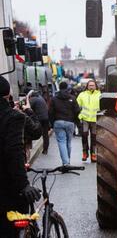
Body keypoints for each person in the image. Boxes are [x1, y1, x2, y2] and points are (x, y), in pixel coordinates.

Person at [0, 76, 41, 237]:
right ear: (7, 94)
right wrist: (23, 185)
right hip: (6, 188)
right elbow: (13, 152)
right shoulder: (12, 116)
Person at [49, 81, 80, 166]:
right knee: (68, 142)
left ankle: (65, 162)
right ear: (67, 88)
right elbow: (77, 111)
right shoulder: (72, 98)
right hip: (70, 122)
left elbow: (50, 112)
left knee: (62, 142)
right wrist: (77, 123)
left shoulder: (54, 99)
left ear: (59, 88)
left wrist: (51, 124)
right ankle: (67, 161)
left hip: (58, 122)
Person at [77, 79, 101, 162]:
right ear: (87, 86)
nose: (91, 87)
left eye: (93, 85)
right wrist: (79, 116)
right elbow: (77, 107)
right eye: (90, 85)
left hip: (95, 120)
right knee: (84, 136)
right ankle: (85, 152)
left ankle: (93, 154)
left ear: (95, 86)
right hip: (85, 119)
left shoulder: (100, 95)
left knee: (94, 138)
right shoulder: (82, 95)